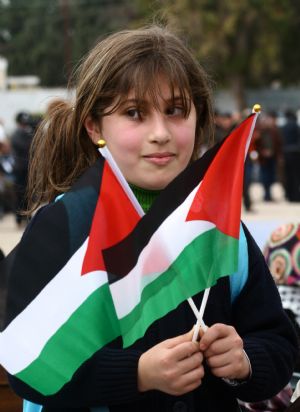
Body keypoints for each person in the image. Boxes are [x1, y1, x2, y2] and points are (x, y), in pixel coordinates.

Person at [5, 25, 298, 412]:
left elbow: (278, 342)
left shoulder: (222, 230)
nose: (160, 133)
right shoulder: (64, 227)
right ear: (95, 128)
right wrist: (138, 373)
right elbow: (28, 367)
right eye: (134, 113)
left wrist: (245, 361)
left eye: (175, 111)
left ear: (199, 118)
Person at [10, 111, 35, 227]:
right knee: (20, 194)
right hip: (20, 169)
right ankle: (19, 217)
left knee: (29, 193)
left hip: (28, 169)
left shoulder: (28, 133)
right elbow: (24, 146)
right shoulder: (16, 135)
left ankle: (28, 216)